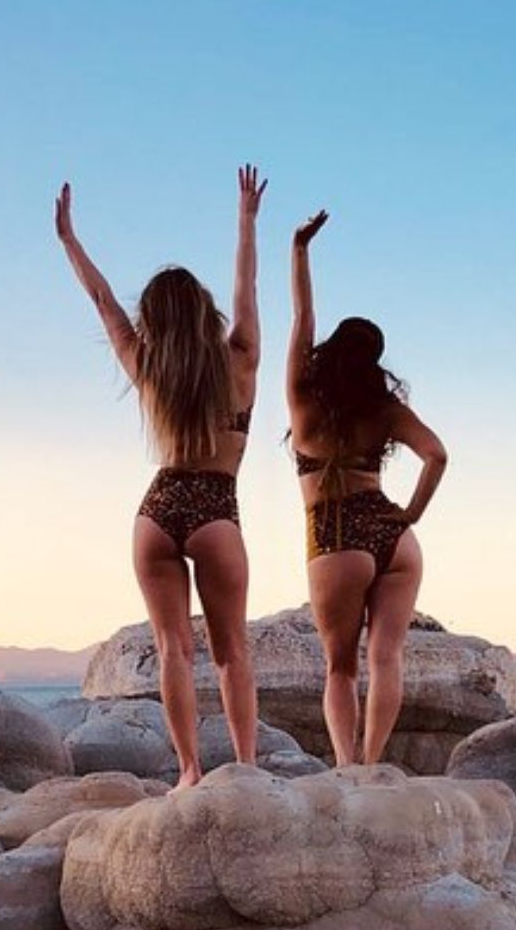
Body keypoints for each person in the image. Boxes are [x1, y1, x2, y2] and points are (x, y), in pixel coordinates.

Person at [55, 167, 267, 789]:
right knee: (231, 654)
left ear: (155, 319)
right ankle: (246, 768)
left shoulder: (146, 363)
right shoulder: (241, 358)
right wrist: (246, 220)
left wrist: (69, 241)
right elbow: (247, 284)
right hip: (214, 508)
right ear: (204, 312)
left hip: (157, 509)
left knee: (174, 649)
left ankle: (189, 771)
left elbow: (101, 301)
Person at [285, 209, 449, 766]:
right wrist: (412, 516)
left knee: (340, 667)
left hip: (335, 536)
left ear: (332, 350)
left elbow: (301, 318)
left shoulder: (304, 397)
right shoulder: (386, 409)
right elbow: (437, 455)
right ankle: (375, 762)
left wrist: (300, 251)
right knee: (387, 657)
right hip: (391, 534)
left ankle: (346, 768)